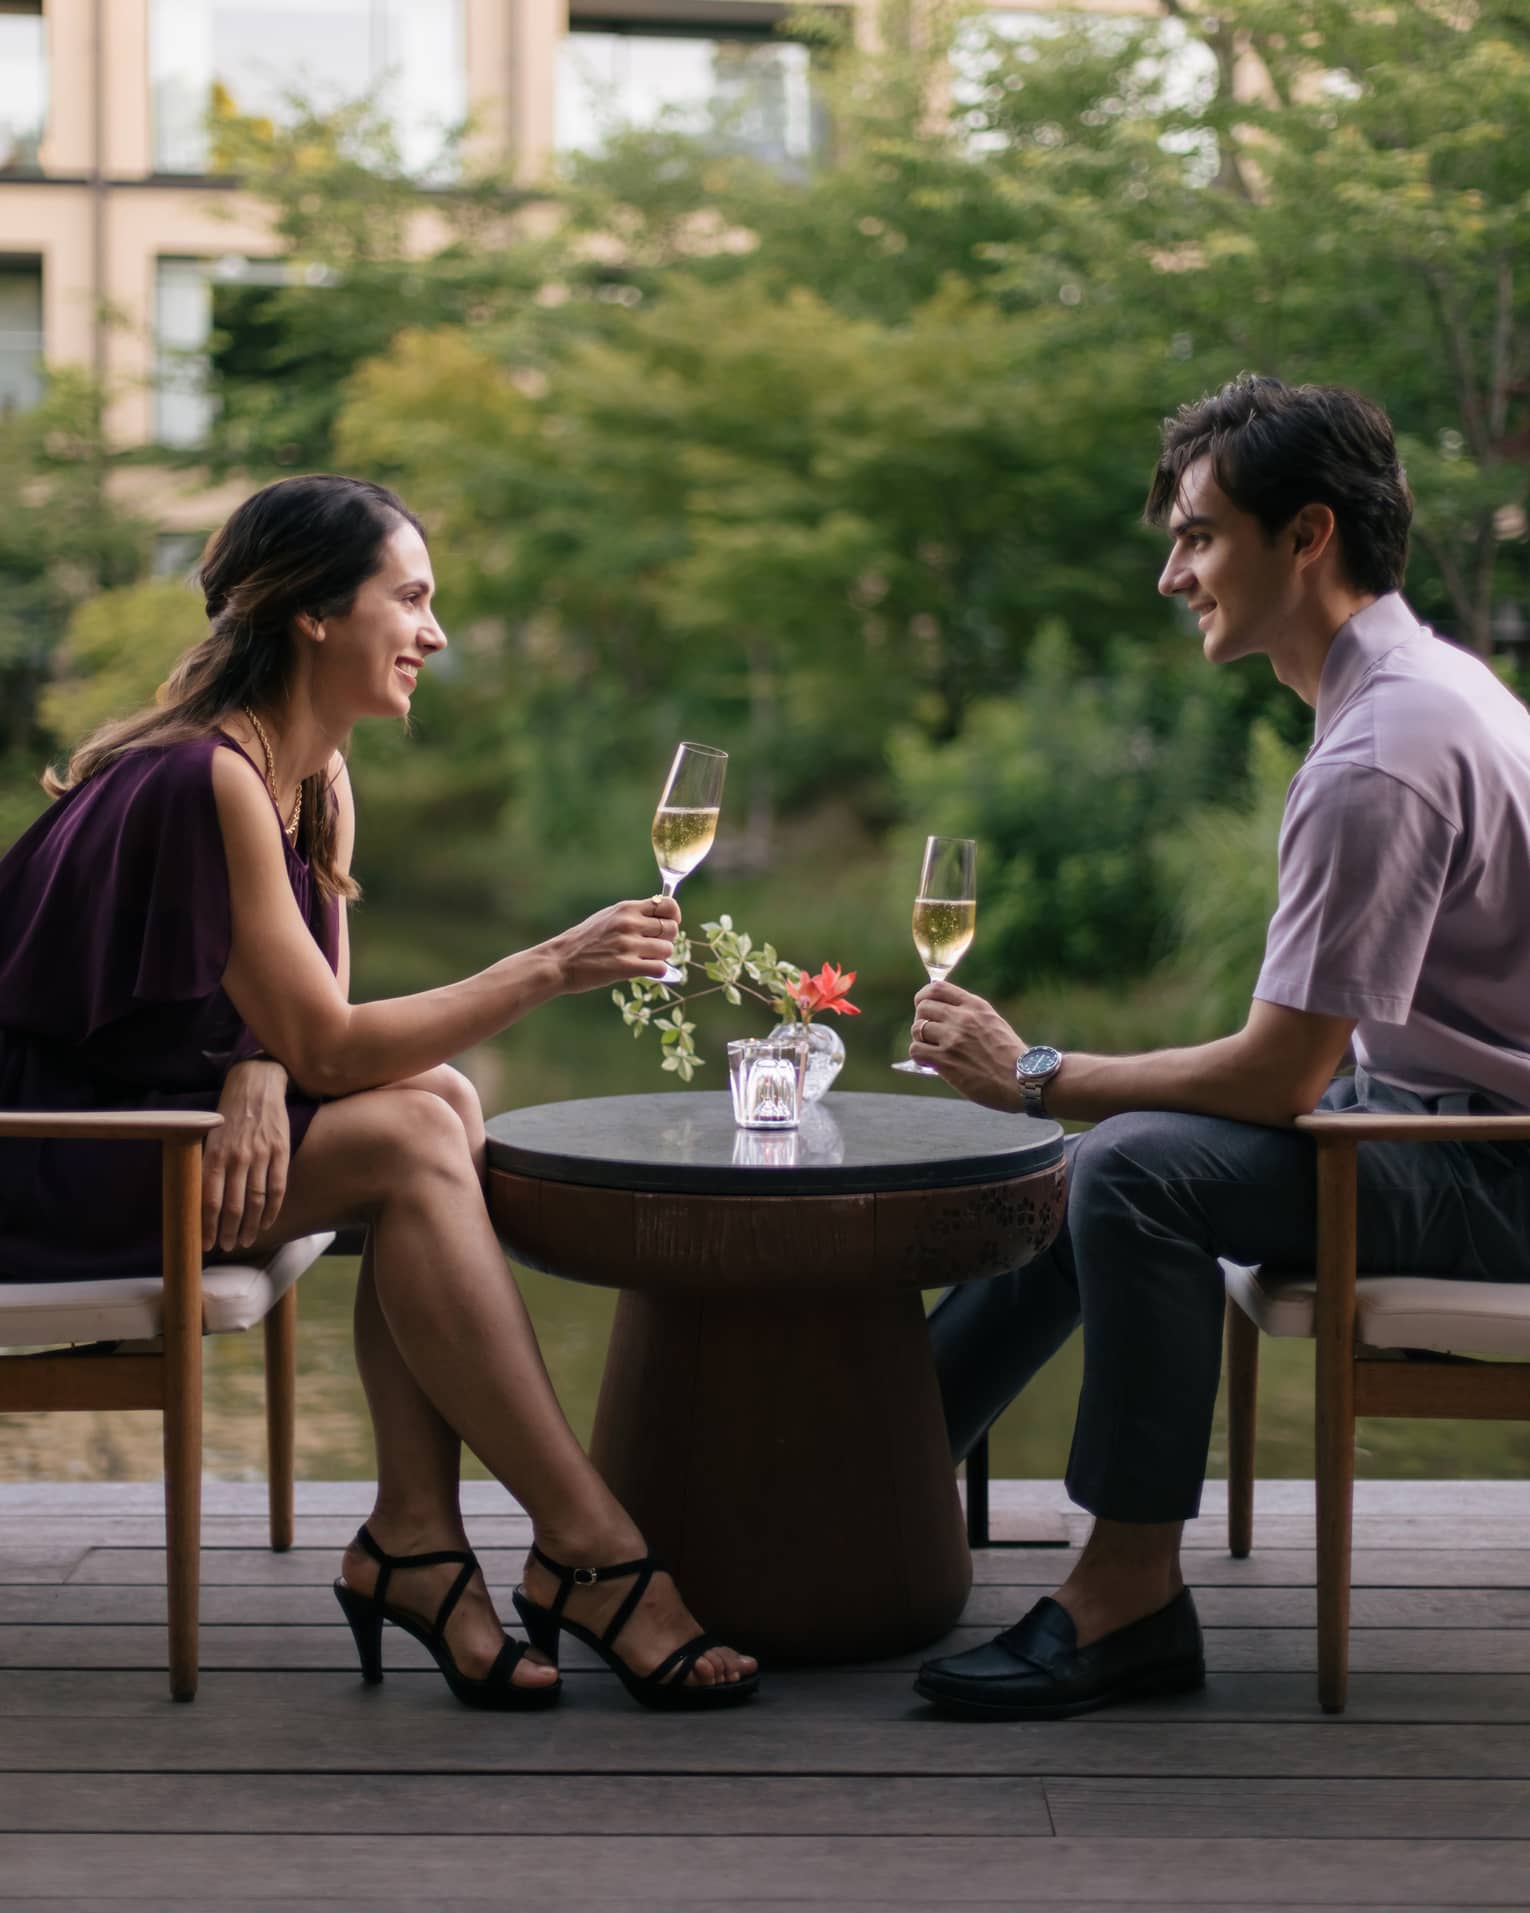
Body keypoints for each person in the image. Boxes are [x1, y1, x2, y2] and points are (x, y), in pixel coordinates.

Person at [0, 474, 759, 1714]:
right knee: (416, 1131)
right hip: (53, 1154)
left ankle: (417, 1537)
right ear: (311, 611)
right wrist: (549, 964)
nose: (435, 632)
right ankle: (589, 1542)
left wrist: (256, 1059)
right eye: (409, 597)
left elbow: (316, 1032)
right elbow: (342, 1052)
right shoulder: (205, 777)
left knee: (446, 1102)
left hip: (161, 1132)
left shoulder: (312, 775)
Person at [910, 375, 1530, 1719]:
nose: (1168, 574)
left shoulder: (1383, 752)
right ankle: (873, 1489)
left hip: (1496, 1167)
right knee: (1103, 1167)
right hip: (1430, 1113)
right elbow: (1308, 1062)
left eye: (1196, 536)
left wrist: (1034, 1073)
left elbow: (1273, 1077)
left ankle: (1123, 1591)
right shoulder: (1423, 691)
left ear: (1304, 537)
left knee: (1132, 1166)